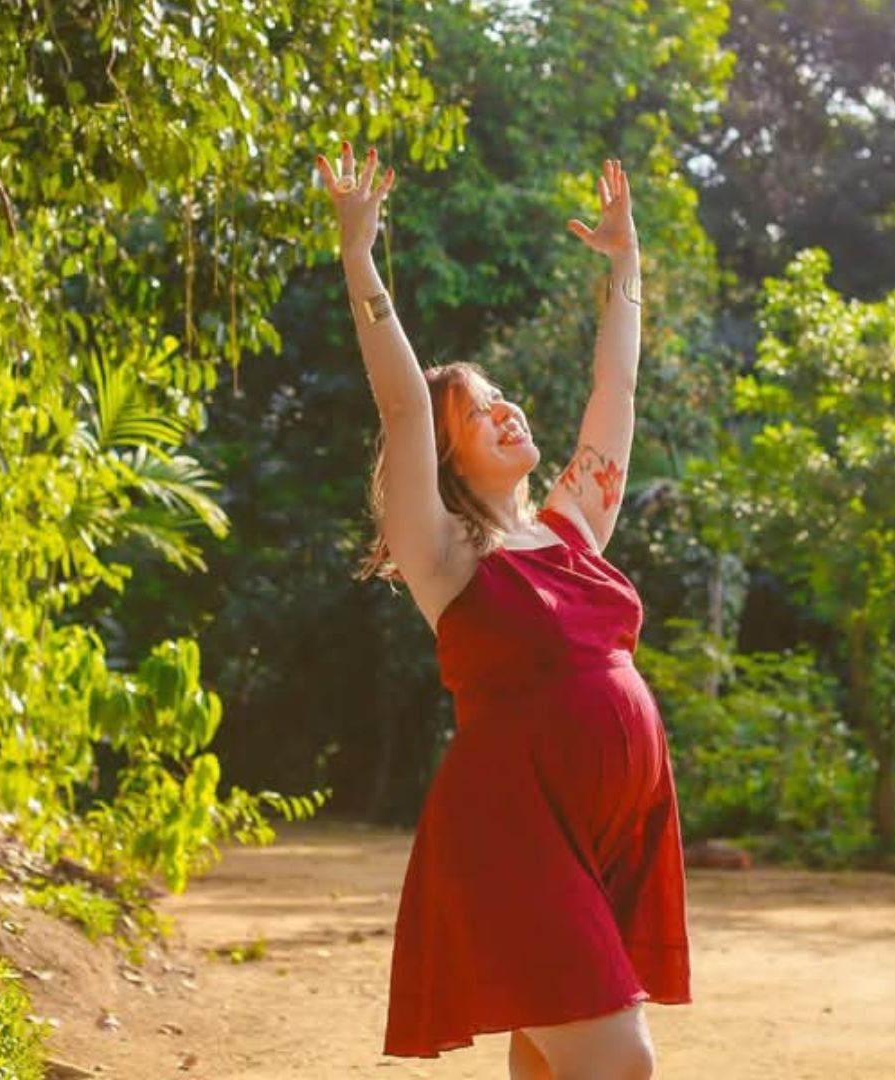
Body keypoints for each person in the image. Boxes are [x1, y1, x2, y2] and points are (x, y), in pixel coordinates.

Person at [315, 141, 689, 1080]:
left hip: (606, 832)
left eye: (502, 397)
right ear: (447, 459)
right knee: (619, 1060)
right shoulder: (444, 554)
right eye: (477, 412)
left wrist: (628, 265)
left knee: (551, 1061)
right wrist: (359, 256)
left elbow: (617, 389)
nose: (505, 410)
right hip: (511, 830)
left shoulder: (573, 528)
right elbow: (405, 408)